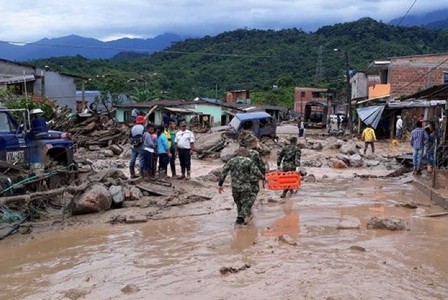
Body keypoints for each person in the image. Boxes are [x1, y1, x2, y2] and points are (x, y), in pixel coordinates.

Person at [218, 147, 264, 225]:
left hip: (235, 187)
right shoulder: (248, 161)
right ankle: (241, 217)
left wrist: (220, 184)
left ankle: (240, 220)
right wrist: (263, 178)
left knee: (238, 203)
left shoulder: (231, 161)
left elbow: (224, 172)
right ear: (245, 153)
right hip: (246, 186)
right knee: (247, 202)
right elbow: (256, 172)